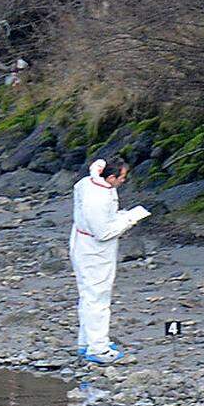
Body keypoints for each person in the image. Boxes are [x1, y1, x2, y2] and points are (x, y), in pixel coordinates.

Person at [70, 156, 147, 364]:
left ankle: (87, 342)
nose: (124, 181)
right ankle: (98, 348)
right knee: (97, 297)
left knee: (88, 294)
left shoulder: (87, 184)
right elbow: (103, 233)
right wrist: (129, 218)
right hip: (94, 251)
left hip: (83, 243)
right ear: (111, 177)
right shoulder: (97, 199)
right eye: (122, 177)